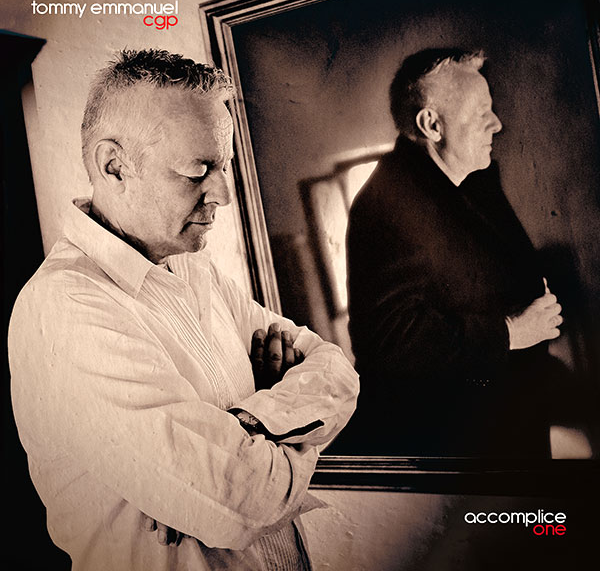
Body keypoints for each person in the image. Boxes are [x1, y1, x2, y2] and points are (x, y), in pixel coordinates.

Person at [8, 49, 359, 570]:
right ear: (114, 166)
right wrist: (291, 422)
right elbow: (244, 501)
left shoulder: (196, 271)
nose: (223, 193)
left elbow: (336, 368)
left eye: (224, 166)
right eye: (198, 170)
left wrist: (246, 425)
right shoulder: (64, 307)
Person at [342, 48, 563, 457]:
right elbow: (390, 339)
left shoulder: (472, 180)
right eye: (481, 113)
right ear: (432, 124)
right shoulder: (386, 203)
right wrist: (511, 333)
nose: (497, 124)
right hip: (452, 449)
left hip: (506, 425)